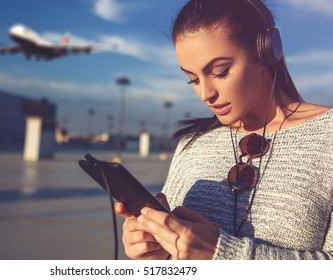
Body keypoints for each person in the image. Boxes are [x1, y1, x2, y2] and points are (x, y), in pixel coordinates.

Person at [115, 0, 332, 260]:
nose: (206, 94)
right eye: (193, 79)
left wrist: (219, 253)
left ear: (264, 52)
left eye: (220, 71)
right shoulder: (192, 143)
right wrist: (154, 251)